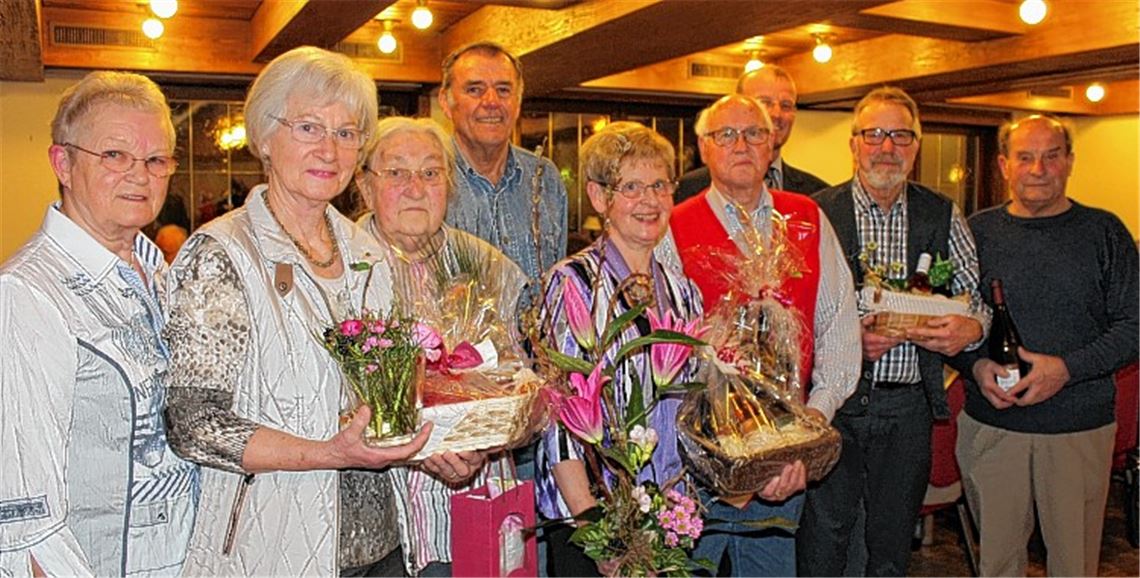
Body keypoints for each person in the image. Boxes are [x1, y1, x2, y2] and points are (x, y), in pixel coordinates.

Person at [162, 47, 471, 576]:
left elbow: (378, 402)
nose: (329, 149)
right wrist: (328, 452)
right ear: (264, 136)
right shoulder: (221, 254)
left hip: (385, 552)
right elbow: (194, 423)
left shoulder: (367, 254)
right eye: (308, 127)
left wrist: (437, 444)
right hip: (273, 547)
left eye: (347, 133)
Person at [0, 71, 197, 576]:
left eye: (156, 160)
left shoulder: (158, 271)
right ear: (62, 162)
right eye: (114, 155)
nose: (140, 175)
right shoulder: (26, 294)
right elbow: (24, 518)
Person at [664, 94, 861, 576]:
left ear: (773, 145)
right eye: (725, 135)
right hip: (694, 465)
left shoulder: (808, 219)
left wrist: (804, 439)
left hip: (784, 465)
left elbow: (839, 327)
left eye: (754, 133)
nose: (741, 145)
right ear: (703, 148)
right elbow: (663, 349)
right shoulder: (672, 224)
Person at [797, 86, 989, 577]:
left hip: (907, 408)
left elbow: (976, 303)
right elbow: (789, 318)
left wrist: (969, 327)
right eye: (875, 134)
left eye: (901, 136)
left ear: (917, 145)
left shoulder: (941, 214)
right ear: (854, 142)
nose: (887, 147)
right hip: (833, 405)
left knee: (890, 545)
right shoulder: (815, 212)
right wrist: (844, 341)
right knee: (824, 539)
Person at [957, 114, 1139, 576]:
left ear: (1070, 162)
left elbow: (1135, 326)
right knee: (997, 564)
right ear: (1003, 165)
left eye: (1051, 156)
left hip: (1078, 429)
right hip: (993, 427)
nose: (1038, 168)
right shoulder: (974, 234)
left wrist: (1067, 368)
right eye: (1025, 157)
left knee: (1074, 566)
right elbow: (950, 323)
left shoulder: (1105, 232)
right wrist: (974, 366)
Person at [354, 116, 526, 577]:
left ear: (449, 186)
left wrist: (488, 436)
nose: (416, 187)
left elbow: (527, 382)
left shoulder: (489, 267)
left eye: (431, 173)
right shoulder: (343, 269)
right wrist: (416, 447)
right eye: (396, 173)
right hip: (388, 529)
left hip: (483, 505)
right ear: (365, 187)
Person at [538, 122, 704, 577]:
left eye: (658, 185)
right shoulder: (573, 283)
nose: (649, 201)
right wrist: (598, 532)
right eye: (630, 187)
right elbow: (560, 417)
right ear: (598, 197)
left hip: (665, 513)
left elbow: (691, 409)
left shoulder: (683, 291)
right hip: (594, 517)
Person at [438, 41, 568, 283]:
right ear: (446, 102)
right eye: (475, 90)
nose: (491, 101)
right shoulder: (428, 179)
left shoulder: (544, 178)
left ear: (517, 103)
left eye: (503, 90)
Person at [676, 65, 829, 202]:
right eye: (764, 103)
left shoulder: (818, 194)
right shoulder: (688, 189)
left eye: (786, 105)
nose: (776, 114)